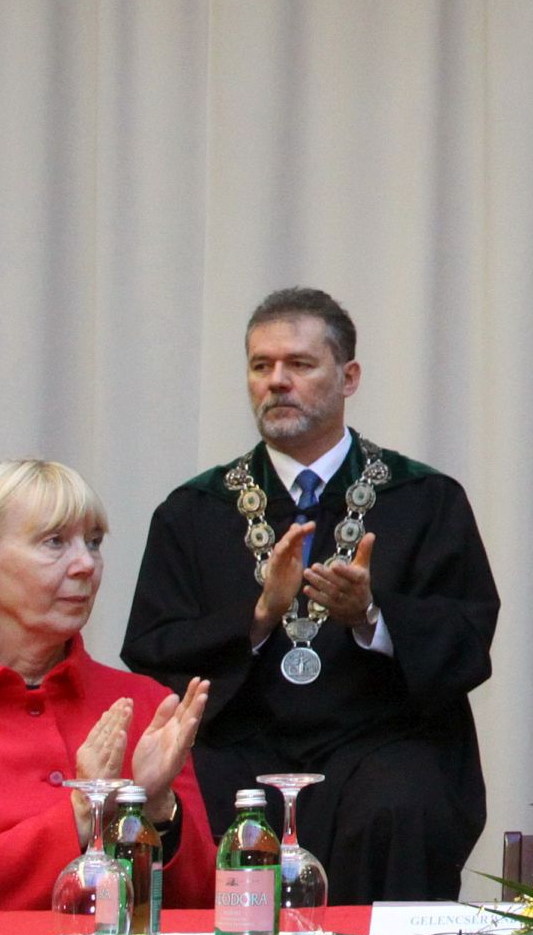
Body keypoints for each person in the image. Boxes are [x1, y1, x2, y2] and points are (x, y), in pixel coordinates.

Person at [122, 288, 499, 903]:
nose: (277, 381)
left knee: (403, 801)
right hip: (238, 746)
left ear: (348, 377)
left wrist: (371, 616)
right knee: (195, 801)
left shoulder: (425, 500)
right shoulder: (193, 512)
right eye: (261, 365)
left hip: (379, 744)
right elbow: (151, 649)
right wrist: (259, 616)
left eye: (299, 364)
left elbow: (467, 641)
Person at [0, 460, 212, 909]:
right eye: (54, 542)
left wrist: (158, 807)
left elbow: (203, 903)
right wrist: (82, 813)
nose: (86, 564)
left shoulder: (148, 703)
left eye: (94, 542)